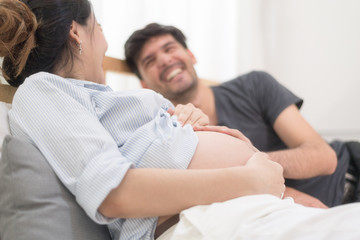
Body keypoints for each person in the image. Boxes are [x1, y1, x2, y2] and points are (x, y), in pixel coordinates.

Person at [2, 1, 360, 240]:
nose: (105, 42)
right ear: (76, 35)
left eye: (170, 49)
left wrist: (185, 125)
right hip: (208, 218)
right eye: (99, 28)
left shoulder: (97, 101)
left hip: (240, 207)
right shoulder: (40, 90)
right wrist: (252, 177)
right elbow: (114, 193)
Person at [124, 23, 360, 208]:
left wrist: (247, 166)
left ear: (191, 55)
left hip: (351, 169)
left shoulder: (254, 85)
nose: (165, 60)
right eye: (150, 61)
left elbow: (324, 158)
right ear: (145, 84)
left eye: (169, 48)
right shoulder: (167, 135)